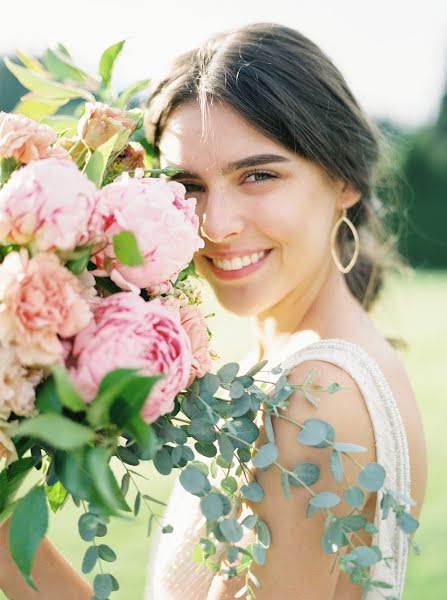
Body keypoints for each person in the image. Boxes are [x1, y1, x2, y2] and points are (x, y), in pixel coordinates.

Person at [143, 22, 427, 600]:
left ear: (343, 178)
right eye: (188, 183)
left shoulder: (316, 396)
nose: (214, 224)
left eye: (259, 175)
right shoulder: (279, 364)